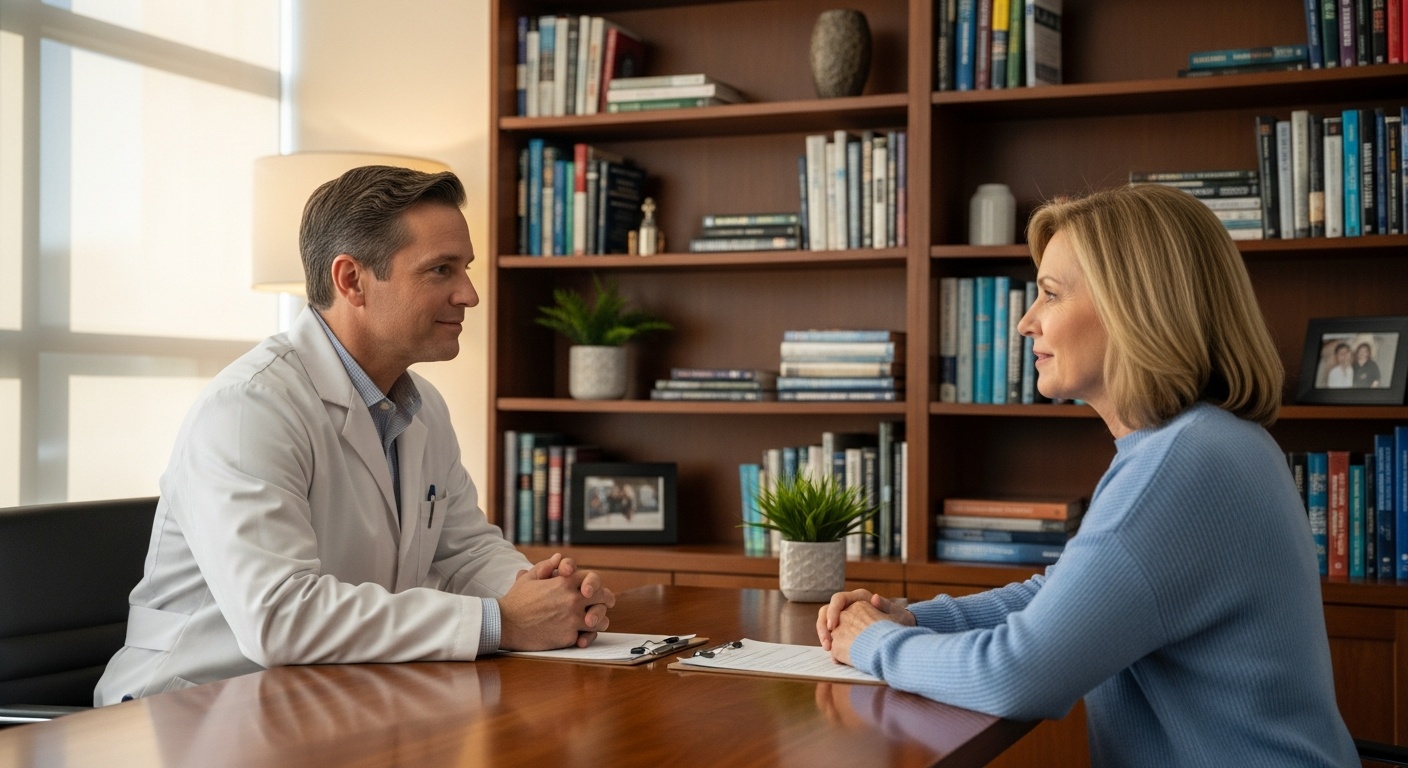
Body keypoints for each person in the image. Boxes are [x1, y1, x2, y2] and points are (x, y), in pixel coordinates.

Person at [816, 184, 1356, 766]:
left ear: (1134, 306)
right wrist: (917, 617)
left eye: (1049, 295)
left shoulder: (1184, 463)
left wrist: (872, 641)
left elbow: (1018, 675)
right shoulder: (1198, 444)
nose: (1026, 323)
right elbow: (1062, 596)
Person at [96, 166, 614, 705]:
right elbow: (279, 616)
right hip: (192, 713)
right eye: (441, 270)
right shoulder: (250, 407)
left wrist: (550, 597)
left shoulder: (423, 407)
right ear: (351, 280)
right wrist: (499, 622)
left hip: (328, 699)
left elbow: (465, 549)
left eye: (465, 269)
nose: (470, 295)